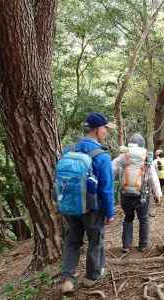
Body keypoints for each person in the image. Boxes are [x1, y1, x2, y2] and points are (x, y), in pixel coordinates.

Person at [60, 112, 116, 294]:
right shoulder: (102, 156)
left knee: (72, 241)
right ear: (98, 130)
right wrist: (110, 212)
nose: (106, 132)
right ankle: (91, 276)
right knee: (95, 239)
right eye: (105, 128)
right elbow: (106, 188)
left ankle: (68, 278)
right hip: (92, 208)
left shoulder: (69, 150)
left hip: (70, 206)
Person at [113, 133, 162, 253]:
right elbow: (152, 177)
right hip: (142, 194)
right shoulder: (146, 156)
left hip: (125, 194)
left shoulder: (124, 155)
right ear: (142, 144)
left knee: (128, 218)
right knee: (143, 219)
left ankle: (126, 245)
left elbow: (112, 168)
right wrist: (157, 194)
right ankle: (143, 245)